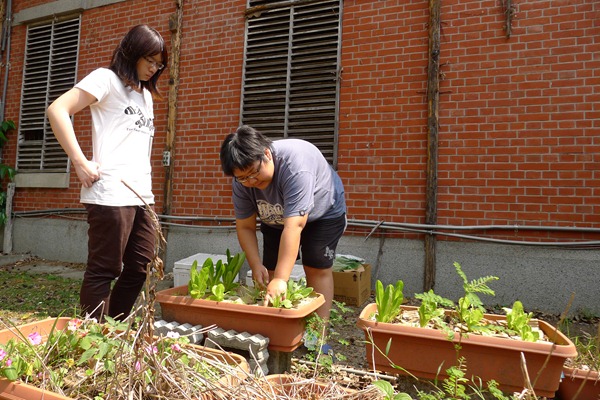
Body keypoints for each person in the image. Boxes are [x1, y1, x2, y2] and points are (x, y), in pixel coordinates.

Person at [47, 24, 168, 321]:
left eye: (159, 63)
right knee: (105, 269)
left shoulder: (145, 96)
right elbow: (57, 109)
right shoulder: (106, 79)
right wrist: (79, 161)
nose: (154, 68)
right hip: (110, 192)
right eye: (149, 60)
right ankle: (94, 336)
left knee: (140, 266)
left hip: (142, 195)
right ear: (133, 52)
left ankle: (112, 329)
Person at [219, 125, 347, 325]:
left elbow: (294, 226)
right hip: (276, 216)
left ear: (267, 154)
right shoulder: (241, 182)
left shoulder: (296, 166)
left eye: (254, 172)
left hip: (324, 211)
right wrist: (255, 265)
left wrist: (281, 279)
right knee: (270, 269)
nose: (251, 181)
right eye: (243, 178)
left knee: (315, 265)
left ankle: (318, 333)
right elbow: (245, 227)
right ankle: (276, 323)